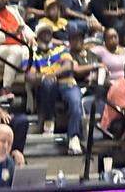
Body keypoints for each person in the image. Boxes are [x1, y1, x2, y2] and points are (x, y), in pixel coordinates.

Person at [24, 23, 85, 154]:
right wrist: (46, 76)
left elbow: (68, 66)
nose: (47, 34)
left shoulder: (61, 49)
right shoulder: (33, 54)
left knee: (75, 99)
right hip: (47, 87)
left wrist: (51, 74)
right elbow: (30, 76)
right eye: (43, 32)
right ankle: (49, 121)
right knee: (48, 82)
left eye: (49, 32)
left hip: (66, 82)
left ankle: (74, 137)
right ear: (38, 35)